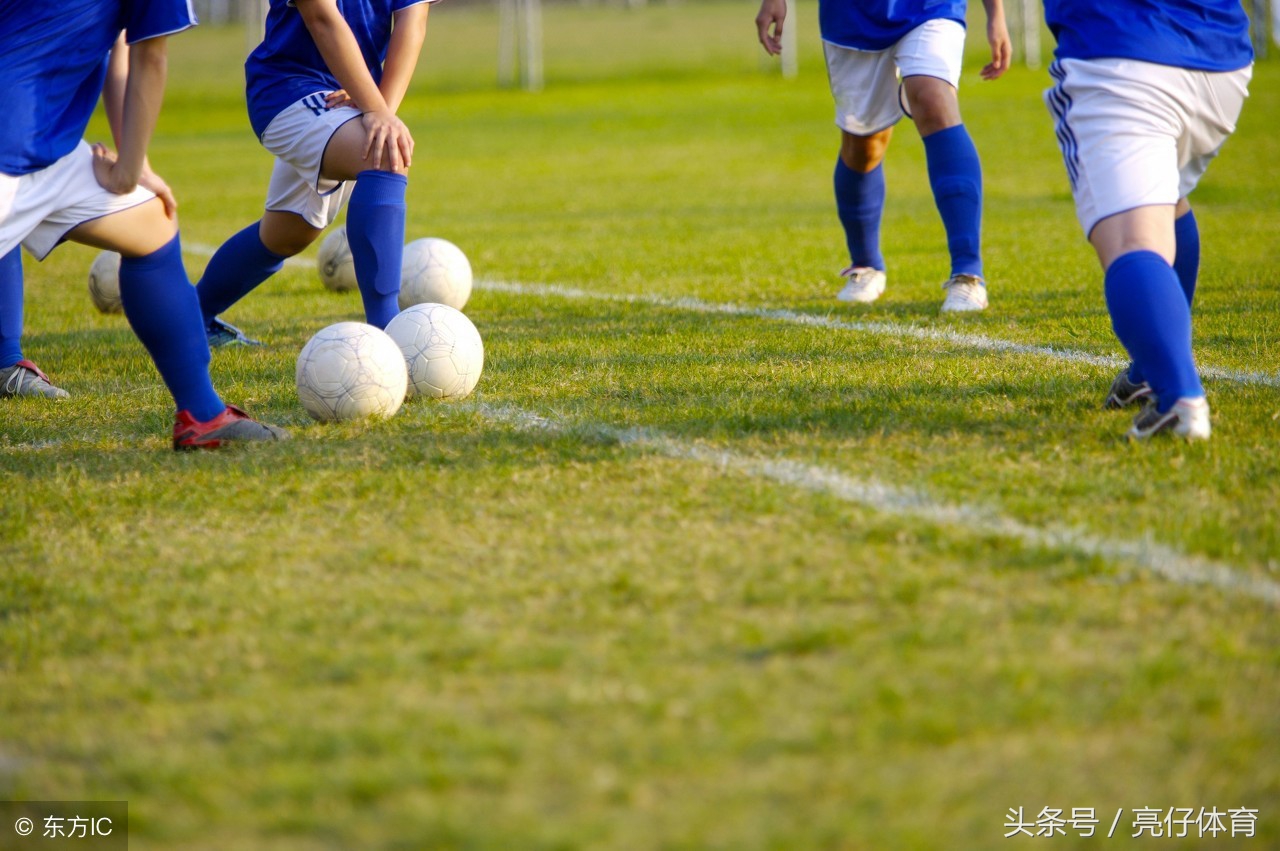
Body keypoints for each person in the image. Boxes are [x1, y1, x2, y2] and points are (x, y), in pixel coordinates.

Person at [0, 4, 288, 450]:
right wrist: (126, 170)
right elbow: (149, 57)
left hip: (45, 149)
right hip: (11, 149)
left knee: (151, 222)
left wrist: (135, 168)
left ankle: (203, 416)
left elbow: (120, 47)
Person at [1042, 0, 1252, 440]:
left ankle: (1178, 398)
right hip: (1222, 57)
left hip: (1122, 48)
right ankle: (1146, 372)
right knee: (1169, 196)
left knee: (1133, 240)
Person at [195, 0, 432, 347]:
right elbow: (320, 17)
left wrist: (381, 107)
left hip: (354, 96)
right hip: (288, 88)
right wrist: (375, 108)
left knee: (289, 233)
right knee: (384, 156)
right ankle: (388, 333)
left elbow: (413, 21)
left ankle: (189, 319)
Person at [755, 0, 1010, 312]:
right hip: (851, 17)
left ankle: (968, 274)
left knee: (933, 100)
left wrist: (995, 14)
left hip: (931, 8)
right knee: (864, 144)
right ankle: (866, 264)